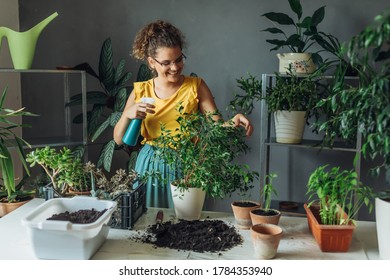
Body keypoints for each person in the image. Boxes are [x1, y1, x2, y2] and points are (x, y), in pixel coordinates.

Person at [114, 20, 253, 208]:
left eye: (179, 59)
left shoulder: (196, 86)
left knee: (187, 226)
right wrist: (127, 114)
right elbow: (118, 139)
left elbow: (216, 129)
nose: (175, 67)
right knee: (147, 223)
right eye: (166, 63)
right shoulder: (141, 91)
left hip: (186, 164)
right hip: (149, 166)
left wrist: (233, 121)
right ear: (151, 63)